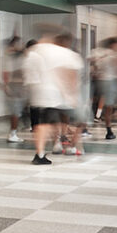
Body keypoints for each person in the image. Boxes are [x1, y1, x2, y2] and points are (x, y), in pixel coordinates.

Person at [26, 27, 82, 164]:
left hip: (38, 92)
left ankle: (41, 152)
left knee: (42, 123)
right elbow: (70, 76)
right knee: (68, 121)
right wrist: (72, 95)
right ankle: (65, 146)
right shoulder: (67, 54)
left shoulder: (38, 50)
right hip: (55, 94)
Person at [89, 37, 117, 140]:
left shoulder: (95, 52)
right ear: (113, 45)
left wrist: (95, 71)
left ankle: (93, 119)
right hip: (109, 81)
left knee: (95, 101)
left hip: (96, 80)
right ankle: (108, 129)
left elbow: (91, 62)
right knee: (108, 106)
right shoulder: (114, 55)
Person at [3, 36, 27, 144]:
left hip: (16, 86)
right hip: (15, 86)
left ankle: (13, 132)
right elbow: (7, 73)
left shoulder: (14, 56)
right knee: (15, 111)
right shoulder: (11, 56)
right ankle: (12, 134)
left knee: (16, 111)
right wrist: (7, 86)